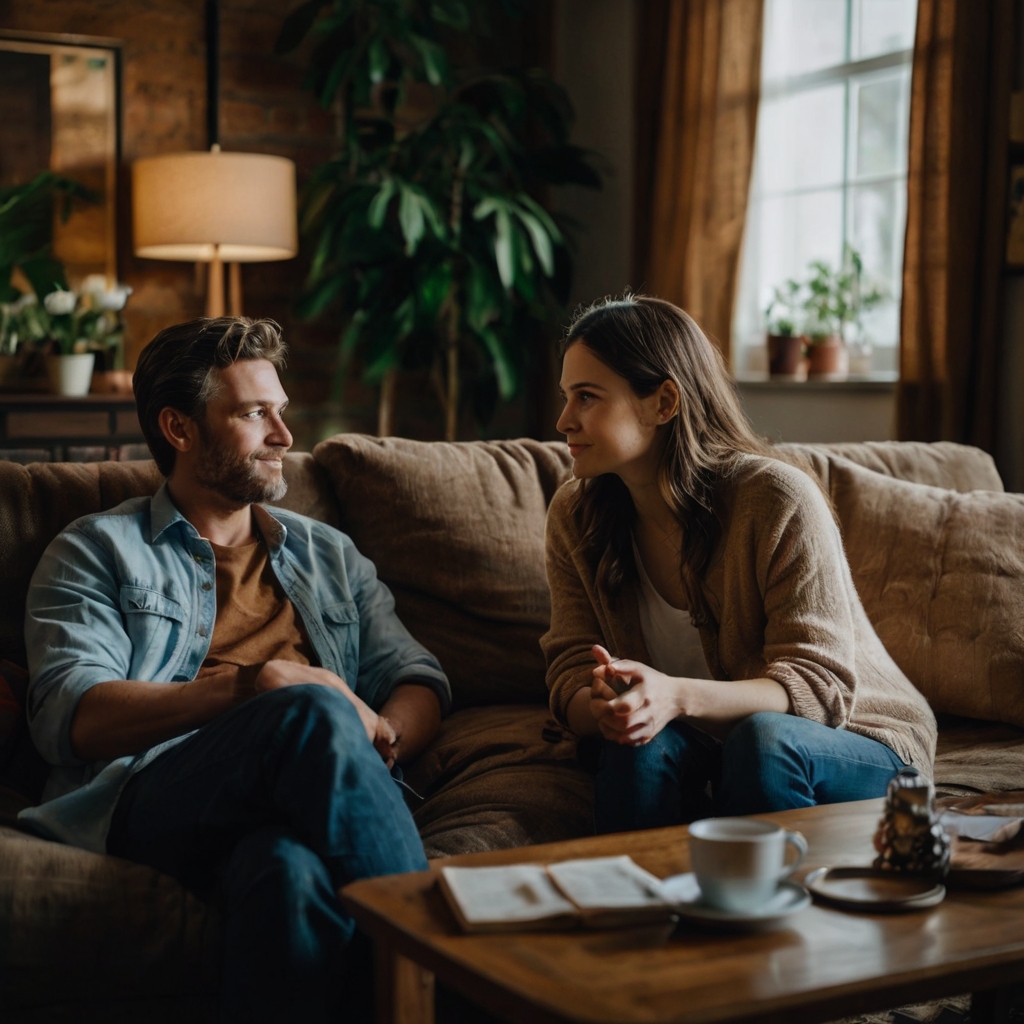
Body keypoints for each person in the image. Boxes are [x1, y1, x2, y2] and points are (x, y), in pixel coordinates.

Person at [20, 317, 450, 1023]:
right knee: (310, 709)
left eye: (281, 412)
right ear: (179, 428)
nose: (284, 436)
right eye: (254, 414)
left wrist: (387, 737)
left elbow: (415, 676)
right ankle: (448, 980)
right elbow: (75, 715)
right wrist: (256, 685)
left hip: (317, 787)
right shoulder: (97, 549)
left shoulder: (327, 554)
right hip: (159, 792)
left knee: (285, 875)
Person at [541, 296, 936, 835]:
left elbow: (817, 691)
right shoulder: (576, 514)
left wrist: (675, 695)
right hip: (705, 741)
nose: (564, 420)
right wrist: (607, 709)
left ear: (663, 402)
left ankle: (774, 917)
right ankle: (635, 908)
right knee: (636, 745)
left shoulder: (776, 500)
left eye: (587, 397)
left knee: (763, 740)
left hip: (858, 740)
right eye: (567, 397)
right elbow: (568, 670)